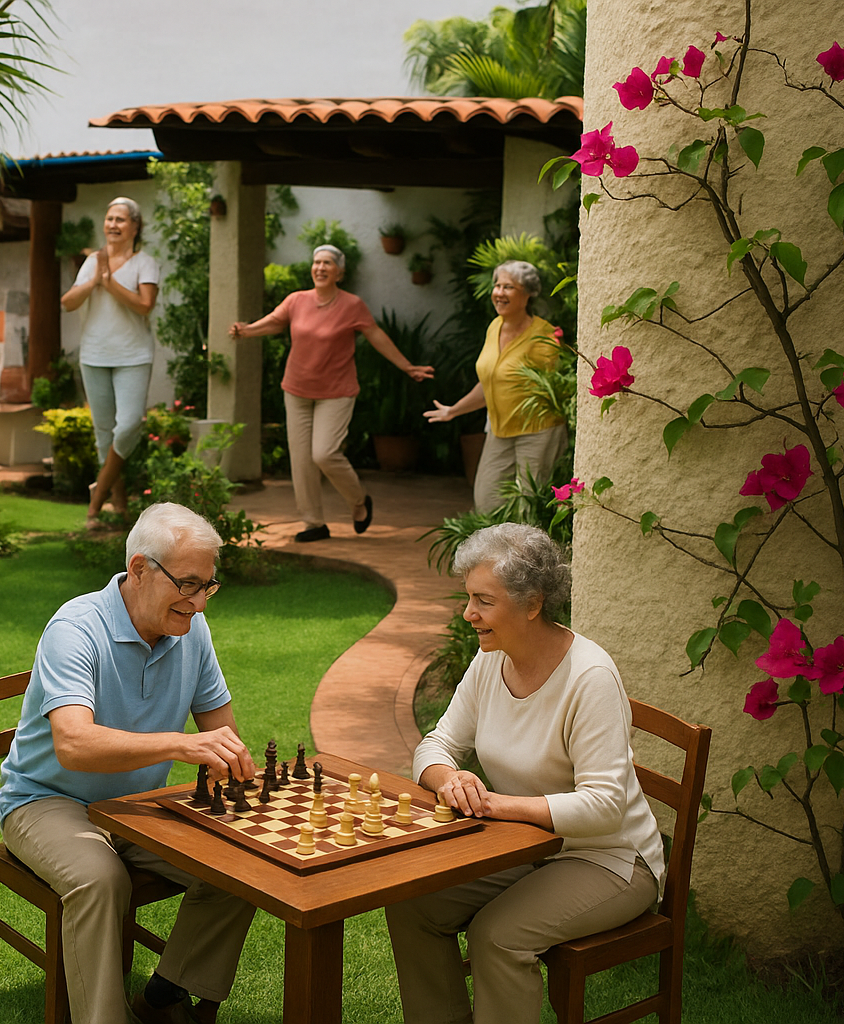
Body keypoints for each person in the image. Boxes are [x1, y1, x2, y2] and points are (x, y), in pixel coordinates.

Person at [383, 523, 663, 1024]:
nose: (469, 614)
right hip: (523, 846)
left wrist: (493, 805)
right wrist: (448, 778)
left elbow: (604, 807)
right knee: (413, 905)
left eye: (483, 601)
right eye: (469, 598)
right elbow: (436, 744)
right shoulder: (493, 659)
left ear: (532, 603)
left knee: (498, 935)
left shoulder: (590, 677)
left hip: (610, 860)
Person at [0, 503, 259, 1024]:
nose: (199, 604)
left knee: (244, 865)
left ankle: (164, 994)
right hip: (47, 802)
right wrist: (178, 746)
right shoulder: (75, 628)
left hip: (136, 808)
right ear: (140, 569)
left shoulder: (191, 630)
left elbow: (221, 731)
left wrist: (229, 766)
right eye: (188, 584)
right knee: (100, 879)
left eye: (208, 586)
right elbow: (73, 744)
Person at [230, 244, 433, 543]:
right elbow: (275, 321)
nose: (320, 268)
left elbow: (376, 335)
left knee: (324, 453)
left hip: (337, 392)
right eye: (316, 262)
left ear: (340, 272)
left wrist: (407, 367)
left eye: (327, 263)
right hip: (297, 390)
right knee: (301, 460)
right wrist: (247, 330)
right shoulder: (297, 300)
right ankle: (314, 523)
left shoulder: (352, 305)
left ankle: (359, 500)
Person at [423, 261, 568, 514]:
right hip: (498, 429)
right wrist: (453, 411)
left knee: (529, 505)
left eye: (508, 287)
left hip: (536, 431)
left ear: (528, 293)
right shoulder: (494, 327)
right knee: (487, 500)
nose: (499, 292)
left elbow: (553, 389)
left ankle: (525, 555)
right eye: (497, 285)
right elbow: (491, 382)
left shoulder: (545, 335)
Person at [61, 196, 160, 530]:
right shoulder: (93, 262)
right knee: (103, 434)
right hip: (95, 355)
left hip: (133, 355)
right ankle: (118, 507)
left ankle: (95, 501)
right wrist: (94, 281)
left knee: (129, 424)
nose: (113, 225)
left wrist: (110, 283)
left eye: (120, 219)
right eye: (109, 219)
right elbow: (68, 303)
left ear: (135, 226)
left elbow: (145, 305)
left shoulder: (145, 263)